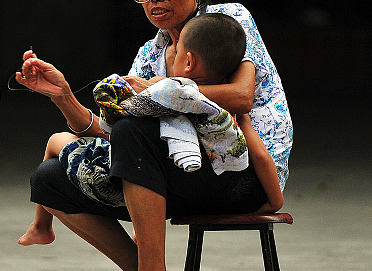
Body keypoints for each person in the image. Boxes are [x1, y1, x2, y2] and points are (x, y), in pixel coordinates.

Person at [17, 0, 292, 271]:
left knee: (135, 131)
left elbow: (242, 96)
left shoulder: (227, 21)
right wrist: (63, 96)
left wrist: (160, 89)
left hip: (241, 172)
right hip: (174, 172)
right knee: (49, 179)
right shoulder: (150, 53)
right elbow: (114, 130)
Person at [18, 12, 282, 244]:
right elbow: (258, 154)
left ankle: (42, 226)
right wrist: (274, 201)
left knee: (59, 140)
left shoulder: (166, 91)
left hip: (188, 183)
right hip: (188, 180)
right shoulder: (224, 108)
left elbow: (119, 129)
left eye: (176, 52)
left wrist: (149, 88)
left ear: (188, 62)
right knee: (47, 176)